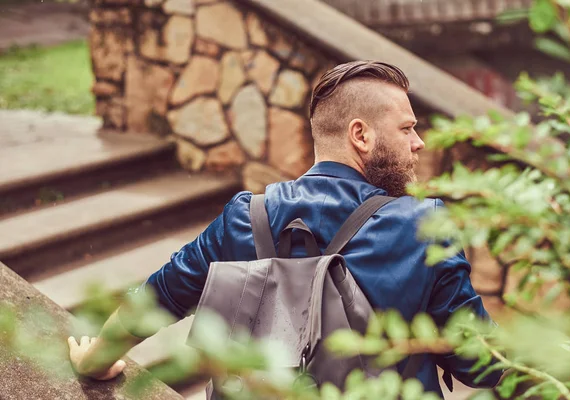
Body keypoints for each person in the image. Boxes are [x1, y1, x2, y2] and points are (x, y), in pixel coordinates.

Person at [68, 60, 503, 397]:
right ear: (361, 135)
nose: (418, 141)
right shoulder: (422, 225)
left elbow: (154, 300)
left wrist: (94, 362)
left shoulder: (245, 216)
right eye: (407, 128)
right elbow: (482, 363)